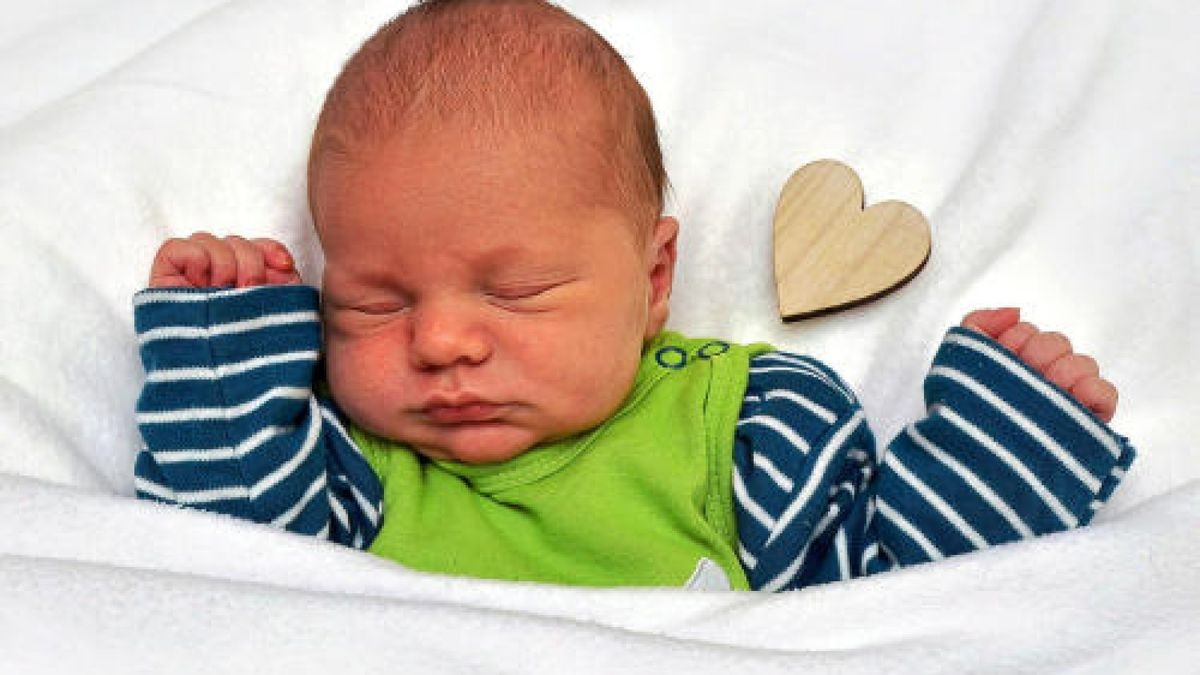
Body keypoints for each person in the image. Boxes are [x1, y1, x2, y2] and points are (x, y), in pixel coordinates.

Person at [132, 0, 1134, 591]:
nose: (439, 340)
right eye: (373, 305)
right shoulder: (354, 472)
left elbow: (883, 590)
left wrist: (1006, 444)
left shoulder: (739, 431)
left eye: (516, 291)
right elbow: (222, 543)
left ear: (653, 282)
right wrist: (225, 334)